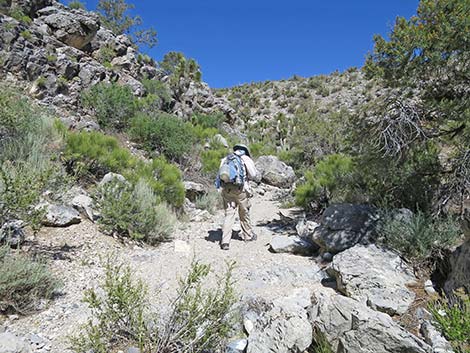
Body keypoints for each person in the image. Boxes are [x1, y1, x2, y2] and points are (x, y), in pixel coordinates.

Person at [215, 144, 258, 250]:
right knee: (244, 212)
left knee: (229, 214)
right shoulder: (246, 158)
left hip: (227, 190)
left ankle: (225, 242)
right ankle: (248, 235)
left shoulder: (226, 159)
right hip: (241, 190)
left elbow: (221, 174)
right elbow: (253, 174)